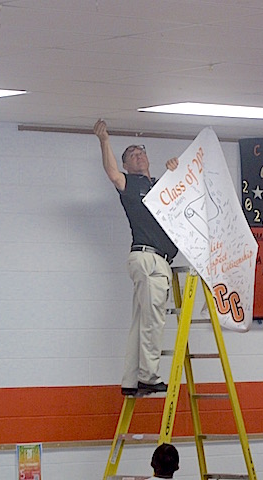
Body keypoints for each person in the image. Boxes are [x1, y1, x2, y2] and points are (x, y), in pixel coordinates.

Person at [94, 119, 179, 396]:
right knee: (153, 321)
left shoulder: (161, 185)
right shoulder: (130, 184)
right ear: (126, 165)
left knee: (141, 321)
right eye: (131, 155)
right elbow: (112, 173)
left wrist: (176, 169)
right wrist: (105, 140)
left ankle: (131, 381)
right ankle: (148, 376)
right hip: (148, 258)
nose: (138, 155)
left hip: (155, 260)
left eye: (141, 151)